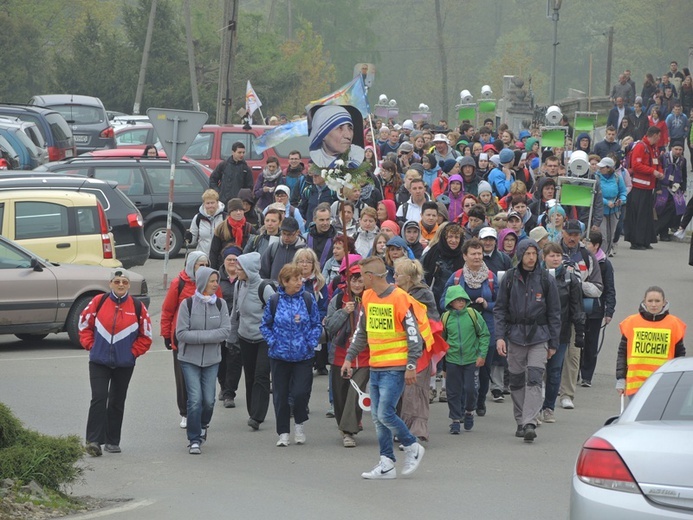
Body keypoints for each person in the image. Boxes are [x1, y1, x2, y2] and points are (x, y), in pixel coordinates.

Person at [341, 256, 432, 479]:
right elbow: (362, 332)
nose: (360, 280)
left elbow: (414, 336)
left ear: (371, 276)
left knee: (385, 413)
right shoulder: (368, 296)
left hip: (396, 366)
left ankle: (412, 446)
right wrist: (348, 358)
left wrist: (411, 365)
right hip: (376, 366)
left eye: (362, 276)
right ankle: (386, 463)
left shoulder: (401, 298)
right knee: (377, 417)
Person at [493, 239, 561, 442]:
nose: (531, 257)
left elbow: (555, 313)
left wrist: (554, 343)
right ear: (520, 254)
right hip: (514, 335)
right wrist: (500, 337)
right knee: (515, 380)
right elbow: (500, 309)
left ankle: (530, 421)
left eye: (534, 253)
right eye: (527, 253)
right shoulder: (509, 278)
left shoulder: (546, 279)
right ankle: (521, 420)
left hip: (539, 335)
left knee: (534, 377)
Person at [80, 269, 152, 456]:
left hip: (124, 363)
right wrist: (91, 346)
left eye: (125, 282)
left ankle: (112, 441)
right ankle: (93, 441)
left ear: (129, 285)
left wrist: (131, 354)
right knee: (99, 397)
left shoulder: (137, 307)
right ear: (110, 283)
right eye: (117, 281)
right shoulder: (98, 301)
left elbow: (146, 336)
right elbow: (84, 325)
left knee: (117, 401)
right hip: (99, 361)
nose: (121, 285)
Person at [260, 264, 322, 447]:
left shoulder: (308, 299)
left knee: (300, 393)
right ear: (284, 282)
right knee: (281, 395)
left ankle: (299, 424)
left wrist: (310, 343)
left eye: (300, 278)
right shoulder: (274, 300)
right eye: (294, 279)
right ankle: (283, 432)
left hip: (303, 356)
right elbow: (265, 325)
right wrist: (273, 342)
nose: (299, 282)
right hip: (279, 357)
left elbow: (316, 325)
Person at [175, 267, 231, 454]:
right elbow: (181, 333)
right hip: (188, 359)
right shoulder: (187, 304)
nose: (216, 284)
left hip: (212, 359)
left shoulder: (221, 304)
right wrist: (209, 337)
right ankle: (194, 439)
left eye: (217, 281)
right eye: (212, 281)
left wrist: (200, 336)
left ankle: (203, 424)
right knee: (195, 400)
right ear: (202, 282)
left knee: (208, 400)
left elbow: (225, 332)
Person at [160, 252, 211, 429]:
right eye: (200, 265)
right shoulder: (179, 283)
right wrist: (166, 334)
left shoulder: (212, 282)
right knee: (183, 379)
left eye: (206, 265)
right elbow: (167, 310)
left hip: (206, 340)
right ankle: (185, 412)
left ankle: (202, 412)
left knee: (204, 378)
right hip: (182, 340)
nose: (203, 268)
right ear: (191, 265)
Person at [393, 258, 441, 442]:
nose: (395, 276)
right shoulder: (397, 293)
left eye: (398, 274)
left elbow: (430, 321)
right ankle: (403, 429)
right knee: (404, 391)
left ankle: (415, 430)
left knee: (416, 391)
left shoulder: (423, 294)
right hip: (400, 348)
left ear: (408, 277)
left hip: (420, 348)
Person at [540, 243, 585, 424]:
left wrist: (580, 332)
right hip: (538, 332)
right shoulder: (537, 277)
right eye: (551, 255)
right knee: (536, 370)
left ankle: (549, 408)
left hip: (561, 332)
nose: (555, 258)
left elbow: (577, 307)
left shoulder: (569, 279)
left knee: (555, 371)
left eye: (558, 255)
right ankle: (535, 407)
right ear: (544, 258)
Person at [231, 252, 276, 431]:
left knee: (261, 375)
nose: (236, 270)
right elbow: (236, 312)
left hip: (263, 338)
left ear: (249, 269)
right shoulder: (238, 285)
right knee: (249, 376)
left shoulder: (264, 288)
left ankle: (258, 415)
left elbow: (277, 312)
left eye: (239, 268)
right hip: (244, 336)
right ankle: (253, 411)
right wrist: (231, 337)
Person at [324, 264, 368, 448]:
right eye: (353, 280)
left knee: (354, 393)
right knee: (340, 396)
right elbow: (329, 328)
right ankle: (345, 425)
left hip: (364, 356)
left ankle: (349, 431)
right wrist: (344, 312)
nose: (357, 284)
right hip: (340, 355)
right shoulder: (339, 299)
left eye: (360, 280)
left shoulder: (371, 299)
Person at [616, 286, 686, 398]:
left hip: (663, 384)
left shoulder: (674, 324)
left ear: (664, 302)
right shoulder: (631, 322)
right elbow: (622, 353)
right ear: (644, 301)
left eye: (657, 301)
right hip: (636, 385)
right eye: (650, 301)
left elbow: (679, 357)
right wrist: (620, 378)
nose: (654, 304)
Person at [441, 285, 490, 434]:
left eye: (463, 300)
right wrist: (443, 366)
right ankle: (455, 420)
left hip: (471, 359)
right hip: (452, 360)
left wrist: (482, 355)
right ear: (450, 303)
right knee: (453, 391)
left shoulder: (473, 314)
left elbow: (484, 335)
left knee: (471, 389)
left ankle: (469, 411)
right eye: (457, 301)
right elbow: (442, 342)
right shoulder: (446, 317)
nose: (461, 303)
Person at [625, 126, 663, 250]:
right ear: (654, 135)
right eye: (659, 136)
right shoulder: (641, 147)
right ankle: (636, 241)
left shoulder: (654, 148)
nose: (659, 139)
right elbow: (636, 165)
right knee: (638, 215)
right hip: (638, 187)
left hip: (648, 187)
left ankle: (645, 240)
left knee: (646, 215)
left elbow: (657, 163)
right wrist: (653, 172)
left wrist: (660, 172)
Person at [218, 247, 244, 409]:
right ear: (224, 261)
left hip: (238, 326)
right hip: (219, 325)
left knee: (234, 360)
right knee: (221, 359)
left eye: (236, 260)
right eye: (229, 260)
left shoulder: (243, 278)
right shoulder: (216, 278)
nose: (233, 263)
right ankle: (222, 384)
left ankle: (229, 393)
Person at [655, 139, 688, 241]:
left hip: (675, 189)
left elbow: (684, 174)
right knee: (662, 210)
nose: (678, 151)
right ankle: (662, 232)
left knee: (680, 207)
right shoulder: (663, 157)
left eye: (680, 149)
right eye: (676, 149)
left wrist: (683, 188)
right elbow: (657, 172)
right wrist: (657, 187)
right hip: (663, 188)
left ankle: (668, 228)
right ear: (671, 148)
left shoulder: (682, 160)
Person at [209, 198, 254, 269]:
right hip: (224, 267)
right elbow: (214, 252)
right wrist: (213, 270)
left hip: (244, 268)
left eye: (241, 210)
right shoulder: (221, 228)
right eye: (235, 210)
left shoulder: (249, 228)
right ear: (230, 212)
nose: (238, 212)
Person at [596, 156, 627, 256]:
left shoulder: (617, 178)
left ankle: (606, 254)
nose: (600, 169)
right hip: (600, 210)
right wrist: (606, 202)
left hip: (614, 210)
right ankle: (601, 255)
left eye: (603, 167)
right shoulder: (596, 178)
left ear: (609, 168)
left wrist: (621, 200)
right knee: (603, 235)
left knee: (611, 235)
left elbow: (623, 192)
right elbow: (595, 194)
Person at [186, 189, 226, 257]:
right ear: (204, 204)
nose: (210, 206)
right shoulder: (198, 218)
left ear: (217, 202)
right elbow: (192, 241)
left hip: (220, 257)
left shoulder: (224, 218)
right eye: (208, 203)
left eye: (212, 203)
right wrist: (189, 237)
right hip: (203, 257)